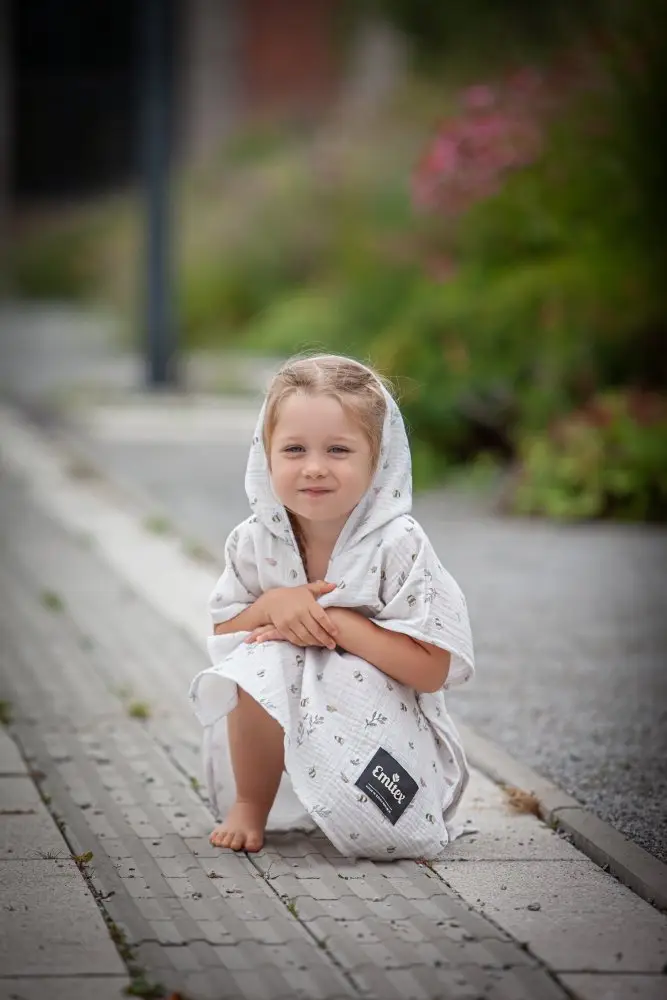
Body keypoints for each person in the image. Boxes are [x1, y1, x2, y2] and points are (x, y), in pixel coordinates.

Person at [189, 354, 474, 858]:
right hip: (287, 716)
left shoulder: (397, 544)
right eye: (294, 449)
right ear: (265, 456)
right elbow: (225, 635)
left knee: (392, 842)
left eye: (339, 449)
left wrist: (341, 626)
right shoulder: (255, 540)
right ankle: (250, 804)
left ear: (377, 459)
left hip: (382, 722)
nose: (315, 467)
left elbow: (433, 670)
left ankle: (377, 804)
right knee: (256, 658)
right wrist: (273, 605)